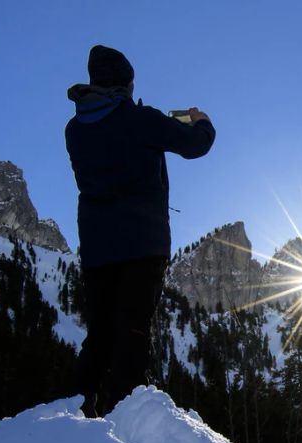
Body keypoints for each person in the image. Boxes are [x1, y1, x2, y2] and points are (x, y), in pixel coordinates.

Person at [65, 45, 215, 417]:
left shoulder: (74, 129)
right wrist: (201, 120)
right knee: (133, 329)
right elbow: (197, 145)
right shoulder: (141, 120)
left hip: (97, 248)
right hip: (142, 244)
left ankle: (72, 411)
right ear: (126, 84)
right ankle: (124, 418)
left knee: (100, 334)